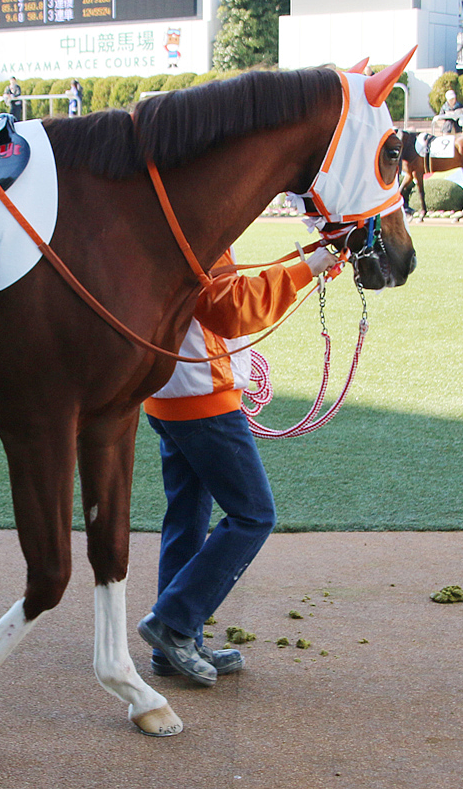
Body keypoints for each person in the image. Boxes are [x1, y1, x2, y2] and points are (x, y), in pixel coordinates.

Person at [137, 245, 337, 685]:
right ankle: (172, 622)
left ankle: (173, 645)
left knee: (187, 517)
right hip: (201, 396)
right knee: (254, 515)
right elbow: (232, 309)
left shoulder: (168, 218)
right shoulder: (197, 227)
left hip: (168, 394)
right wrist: (310, 267)